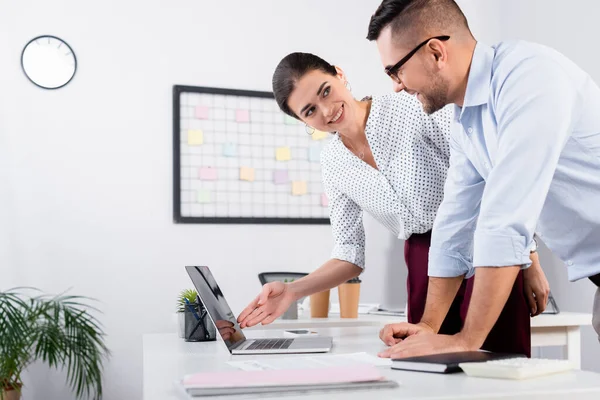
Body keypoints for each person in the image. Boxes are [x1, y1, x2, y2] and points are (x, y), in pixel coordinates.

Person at [236, 52, 549, 357]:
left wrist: (528, 255)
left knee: (499, 364)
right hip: (422, 263)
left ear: (339, 74)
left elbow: (489, 171)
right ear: (304, 121)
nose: (326, 110)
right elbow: (349, 254)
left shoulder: (412, 106)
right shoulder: (332, 162)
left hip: (485, 244)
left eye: (326, 91)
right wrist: (293, 291)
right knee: (432, 371)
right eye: (310, 111)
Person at [366, 0, 600, 358]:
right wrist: (428, 327)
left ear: (435, 52)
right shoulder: (467, 117)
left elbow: (504, 220)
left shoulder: (529, 79)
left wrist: (466, 339)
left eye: (395, 71)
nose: (397, 86)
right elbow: (455, 223)